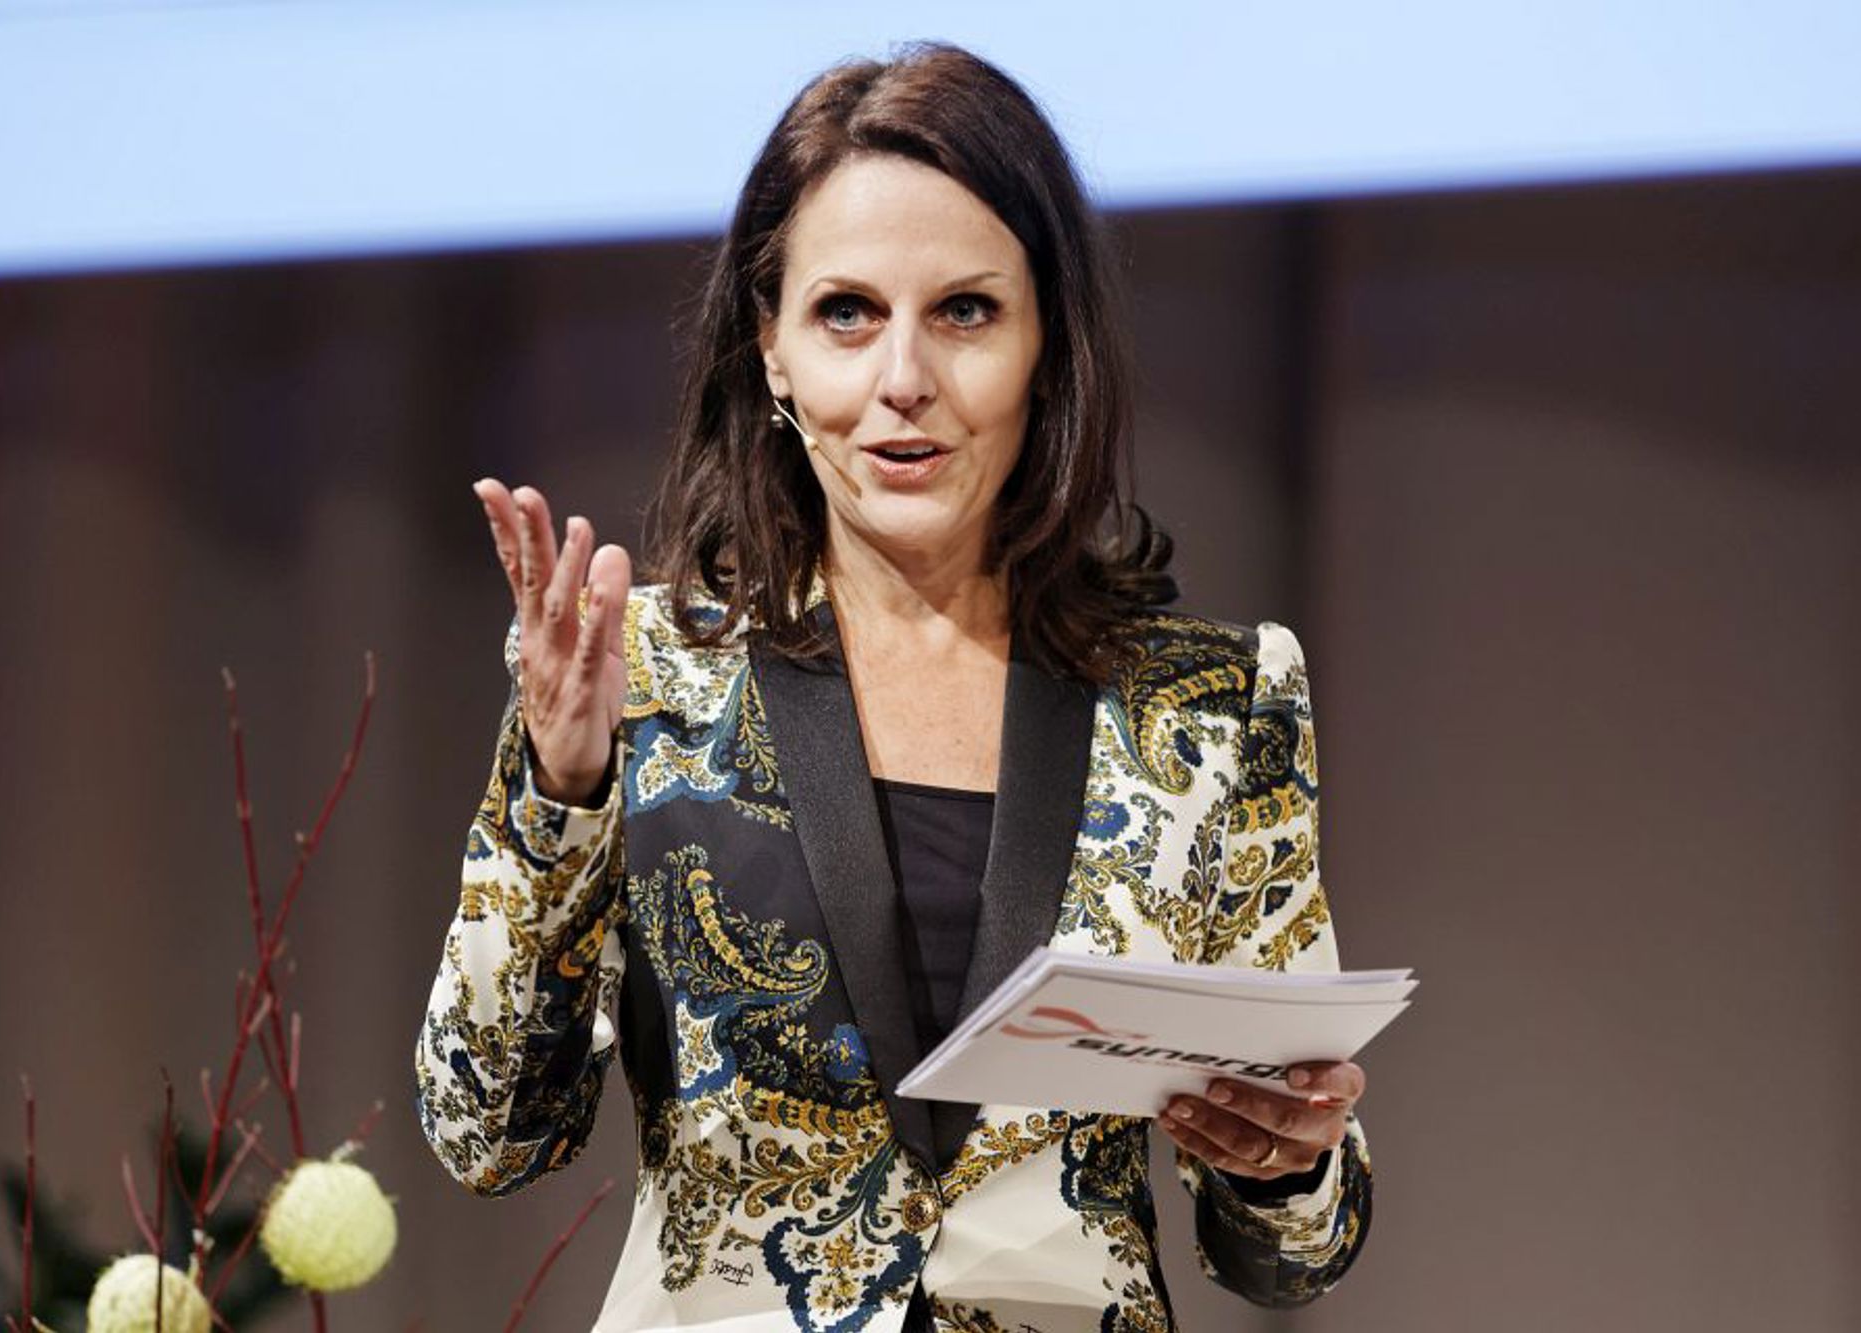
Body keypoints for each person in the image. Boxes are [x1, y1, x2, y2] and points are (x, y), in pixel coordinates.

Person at [415, 41, 1372, 1333]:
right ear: (770, 347)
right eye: (847, 313)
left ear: (1047, 343)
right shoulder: (637, 673)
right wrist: (561, 793)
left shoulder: (1212, 704)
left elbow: (1294, 1255)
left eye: (965, 311)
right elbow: (487, 1135)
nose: (903, 379)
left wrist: (1288, 1161)